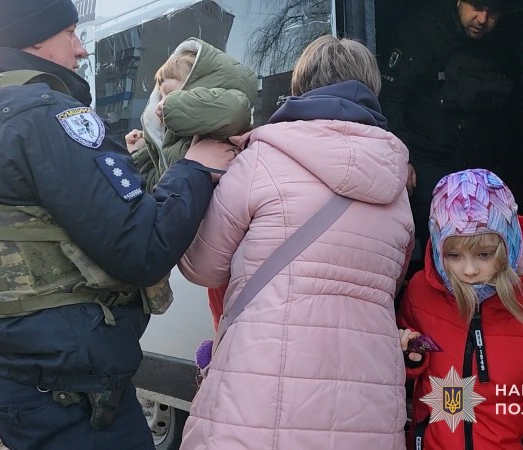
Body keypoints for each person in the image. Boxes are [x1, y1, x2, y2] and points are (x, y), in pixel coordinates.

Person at [0, 1, 236, 448]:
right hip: (76, 396)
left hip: (16, 377)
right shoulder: (43, 114)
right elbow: (142, 247)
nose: (81, 49)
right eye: (70, 32)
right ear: (34, 36)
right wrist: (195, 168)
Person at [176, 35, 414, 449]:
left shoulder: (260, 160)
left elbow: (202, 267)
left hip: (260, 395)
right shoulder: (396, 187)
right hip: (366, 403)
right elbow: (389, 284)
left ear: (300, 86)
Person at [397, 168, 523, 450]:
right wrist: (410, 358)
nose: (469, 269)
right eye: (454, 255)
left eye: (484, 254)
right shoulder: (421, 294)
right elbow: (401, 360)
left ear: (509, 243)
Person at [379, 0, 523, 276]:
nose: (483, 19)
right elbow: (392, 98)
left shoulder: (501, 41)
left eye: (492, 12)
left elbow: (513, 90)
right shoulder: (422, 33)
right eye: (477, 8)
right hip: (429, 155)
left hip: (482, 153)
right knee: (441, 237)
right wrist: (402, 156)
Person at [125, 37, 257, 316]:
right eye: (160, 97)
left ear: (196, 88)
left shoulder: (220, 121)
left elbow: (235, 108)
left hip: (237, 245)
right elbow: (157, 187)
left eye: (170, 93)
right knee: (224, 318)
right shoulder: (179, 141)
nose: (160, 105)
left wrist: (171, 107)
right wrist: (141, 154)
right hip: (210, 248)